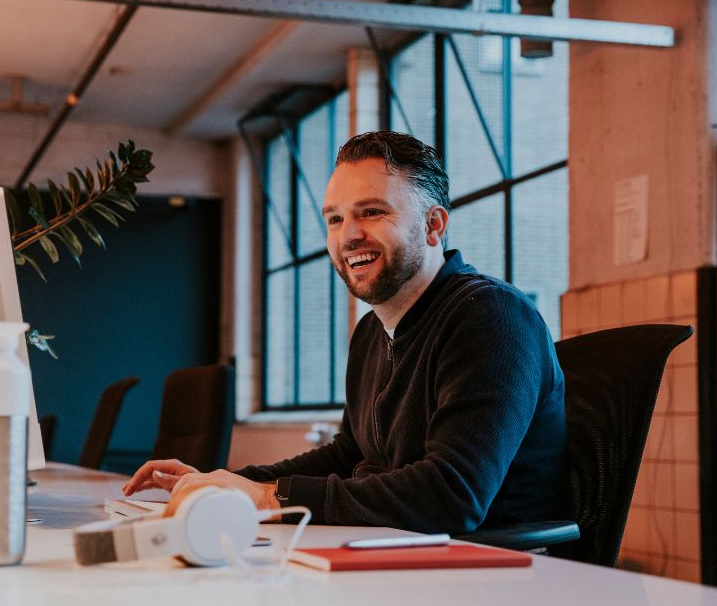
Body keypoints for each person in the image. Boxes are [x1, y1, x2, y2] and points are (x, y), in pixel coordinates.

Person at [123, 131, 566, 535]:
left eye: (372, 212)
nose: (348, 236)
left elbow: (452, 496)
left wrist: (271, 497)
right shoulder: (372, 331)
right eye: (334, 219)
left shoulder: (491, 316)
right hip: (402, 555)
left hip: (492, 576)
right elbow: (347, 455)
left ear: (434, 226)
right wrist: (231, 482)